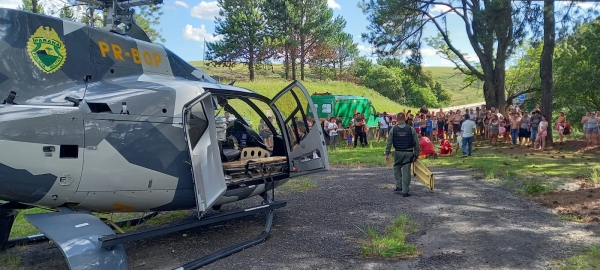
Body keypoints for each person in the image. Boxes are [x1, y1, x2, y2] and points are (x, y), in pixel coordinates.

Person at [385, 113, 420, 197]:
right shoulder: (411, 129)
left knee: (396, 167)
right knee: (406, 171)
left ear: (397, 119)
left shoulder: (393, 130)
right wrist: (417, 153)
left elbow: (389, 142)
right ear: (405, 119)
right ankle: (405, 191)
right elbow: (416, 143)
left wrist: (387, 153)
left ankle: (398, 186)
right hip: (408, 152)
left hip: (397, 152)